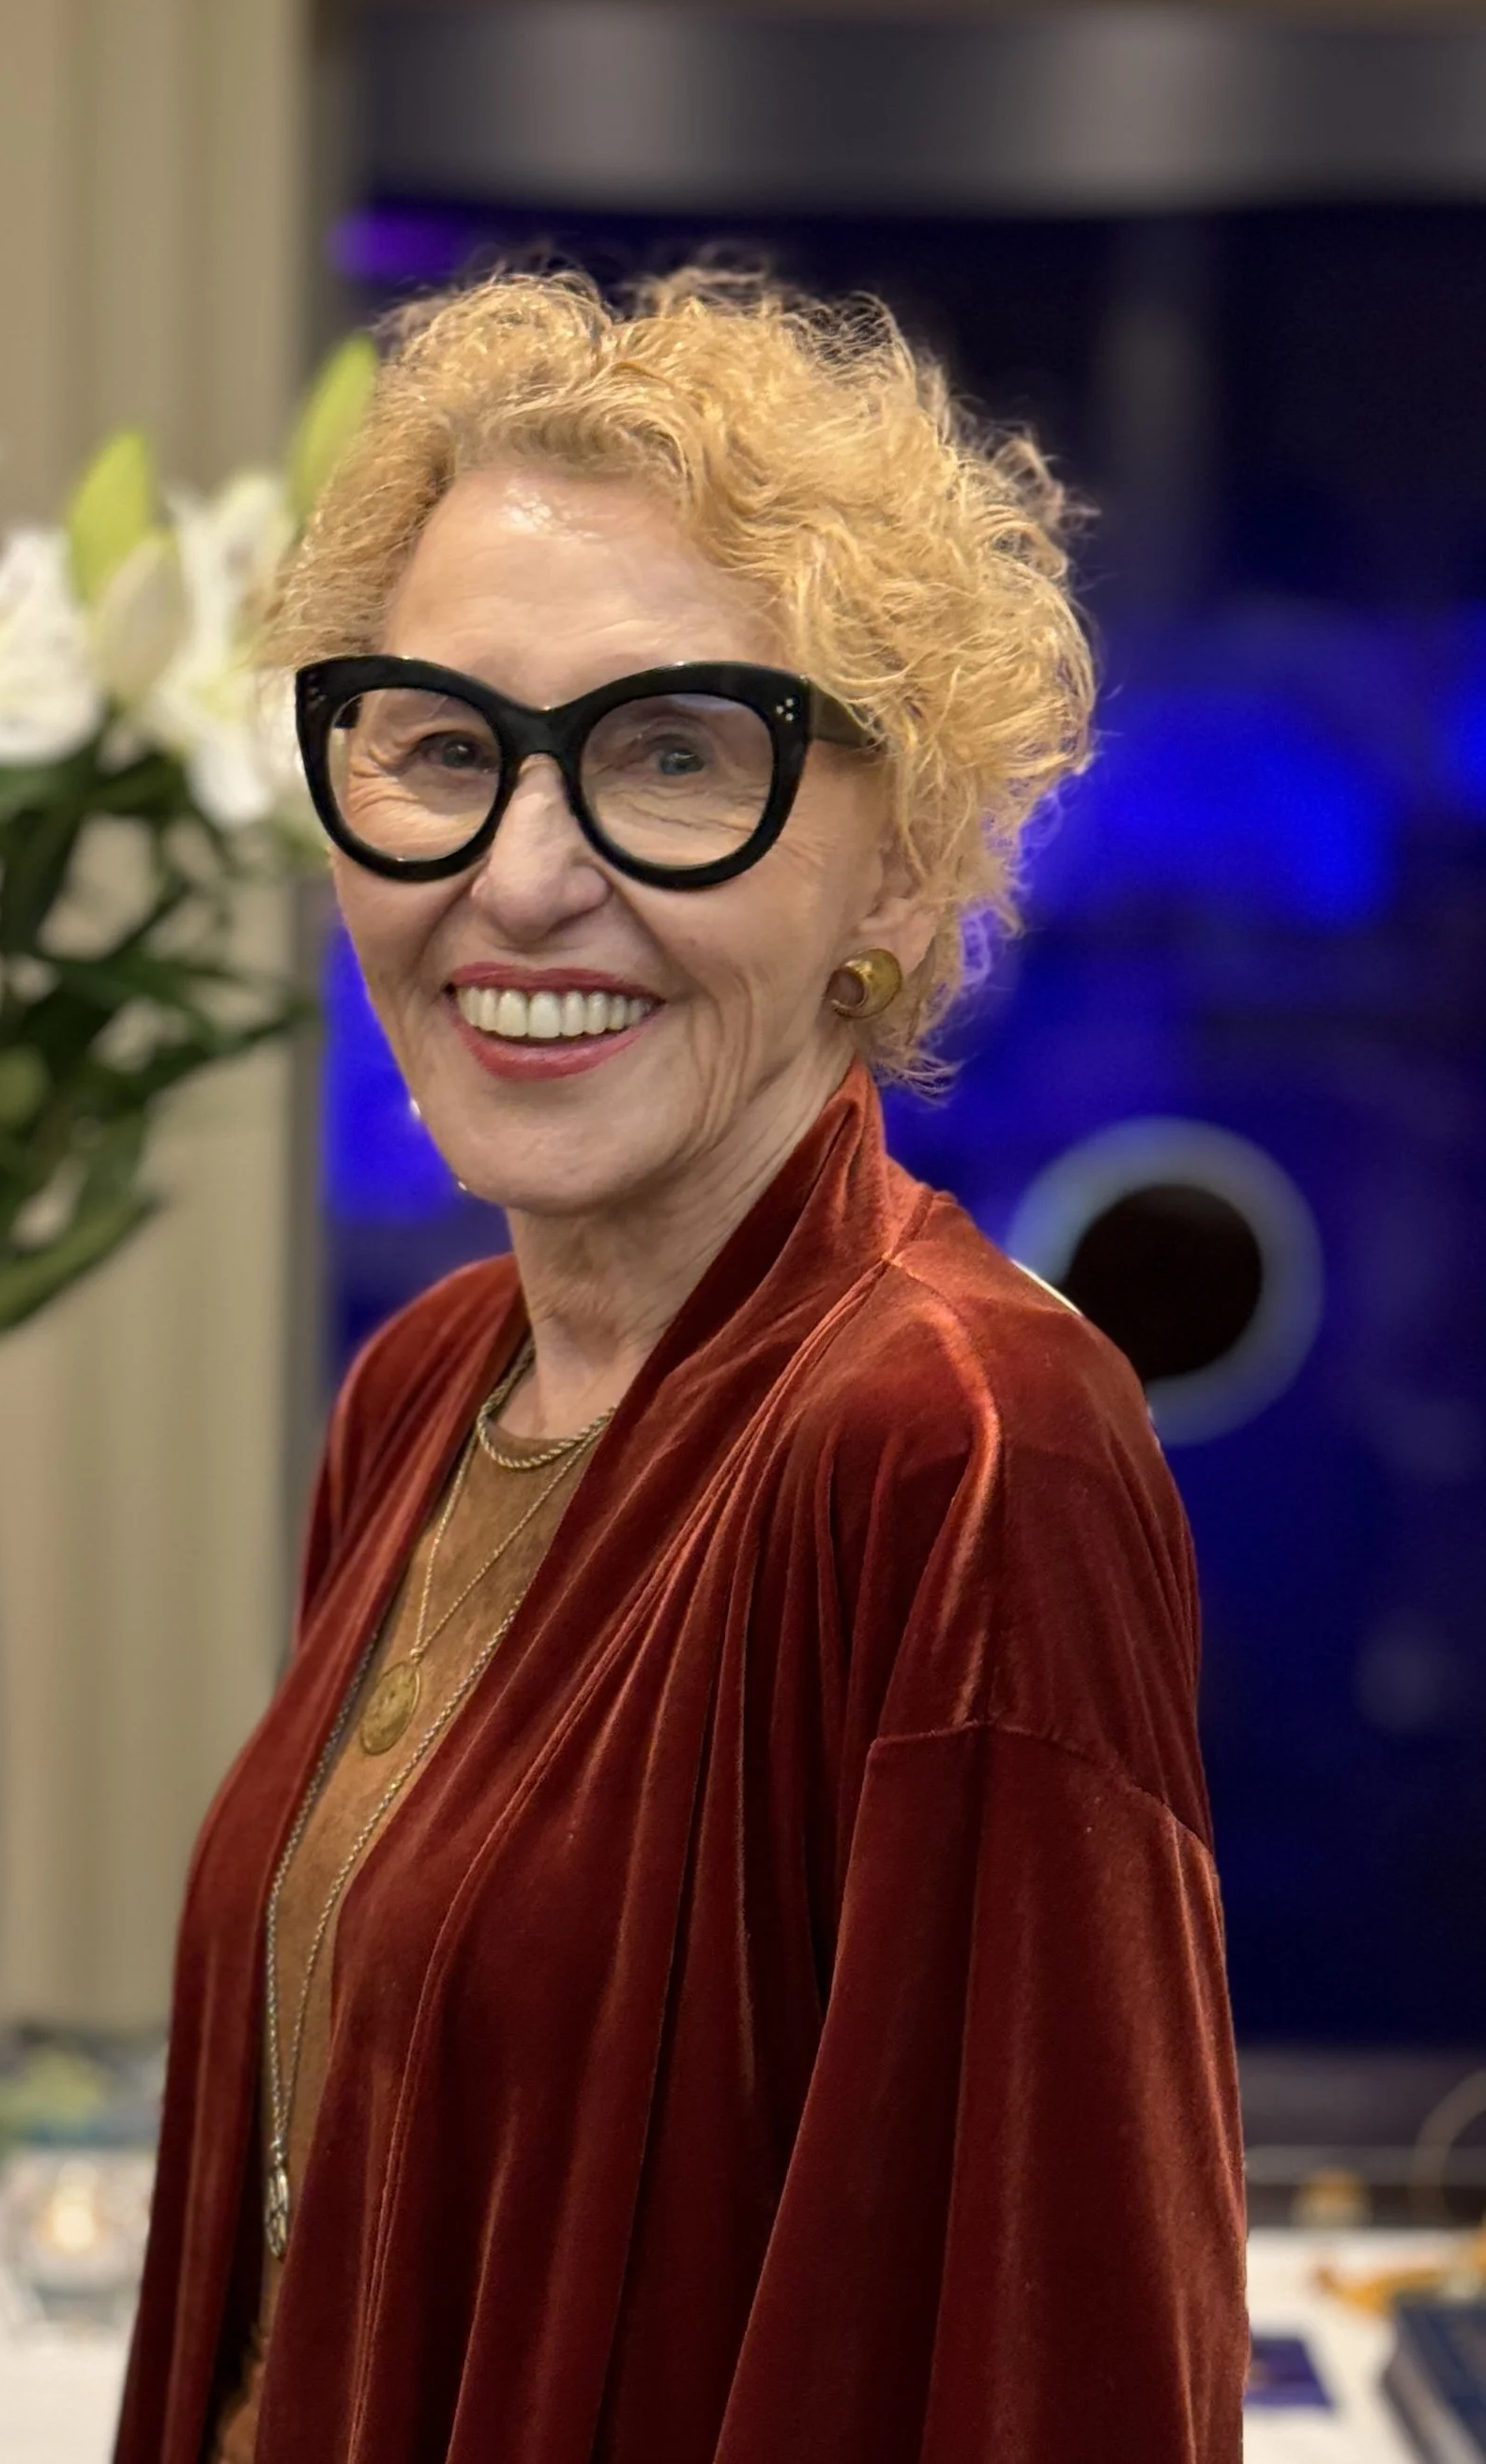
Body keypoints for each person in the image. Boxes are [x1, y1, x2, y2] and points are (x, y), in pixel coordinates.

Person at [115, 268, 1247, 2464]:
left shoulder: (966, 1444)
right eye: (442, 746)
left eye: (670, 753)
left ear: (900, 868)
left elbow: (1063, 2360)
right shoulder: (431, 1388)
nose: (521, 880)